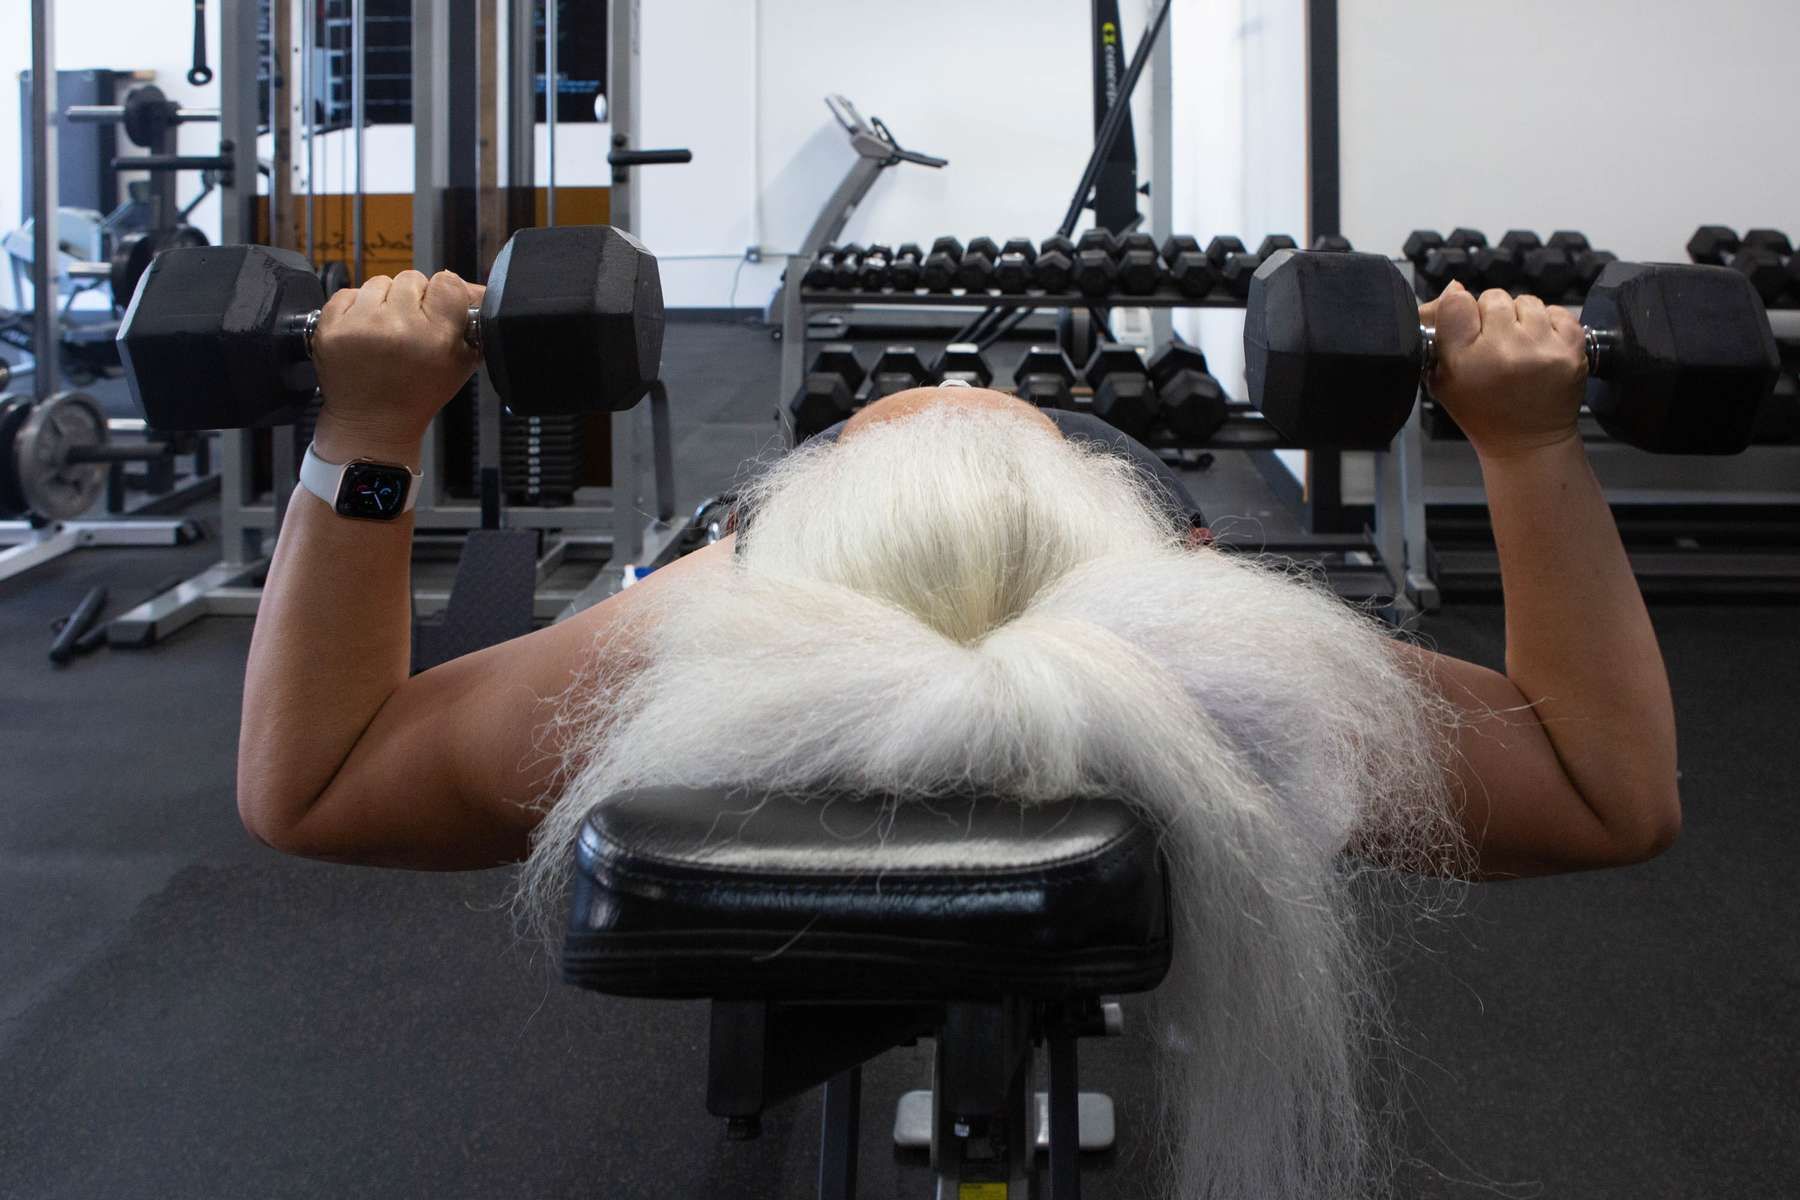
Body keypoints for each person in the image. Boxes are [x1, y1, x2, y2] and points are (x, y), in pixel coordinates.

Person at [235, 267, 1679, 1199]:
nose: (971, 397)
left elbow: (316, 782)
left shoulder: (699, 618)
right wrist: (1530, 441)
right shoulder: (1216, 653)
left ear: (768, 529)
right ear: (1167, 535)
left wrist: (367, 430)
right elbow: (1605, 791)